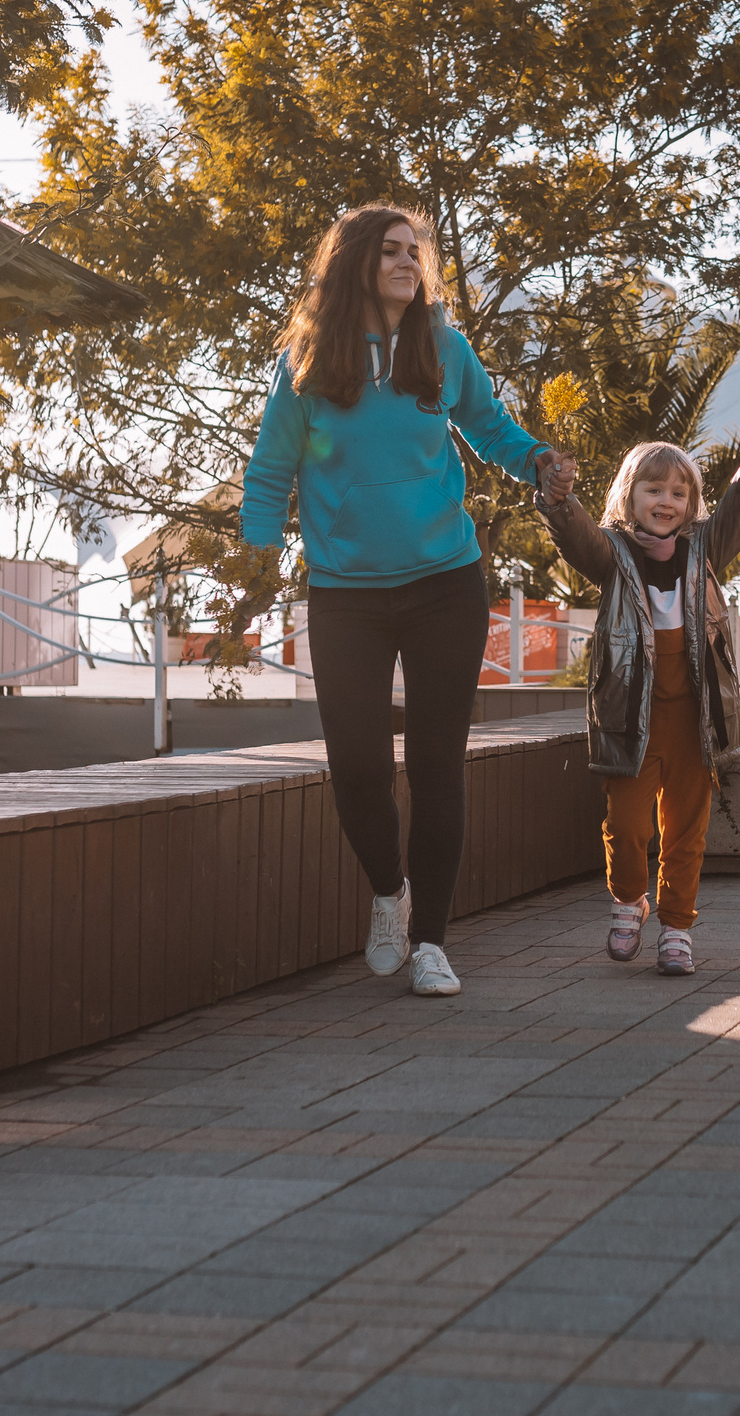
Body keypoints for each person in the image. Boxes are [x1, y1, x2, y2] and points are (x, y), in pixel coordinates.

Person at [241, 206, 575, 998]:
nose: (406, 262)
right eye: (390, 250)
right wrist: (254, 561)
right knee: (356, 767)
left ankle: (431, 941)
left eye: (414, 251)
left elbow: (490, 428)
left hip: (443, 584)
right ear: (356, 260)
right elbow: (271, 469)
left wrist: (539, 462)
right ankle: (390, 895)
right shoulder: (309, 358)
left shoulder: (442, 347)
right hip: (345, 594)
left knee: (435, 765)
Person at [541, 440, 740, 977]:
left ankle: (676, 928)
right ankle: (629, 902)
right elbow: (577, 536)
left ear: (692, 503)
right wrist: (558, 501)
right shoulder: (613, 554)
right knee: (626, 824)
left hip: (694, 720)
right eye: (654, 489)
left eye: (679, 492)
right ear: (630, 496)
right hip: (631, 719)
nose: (667, 500)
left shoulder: (705, 550)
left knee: (685, 832)